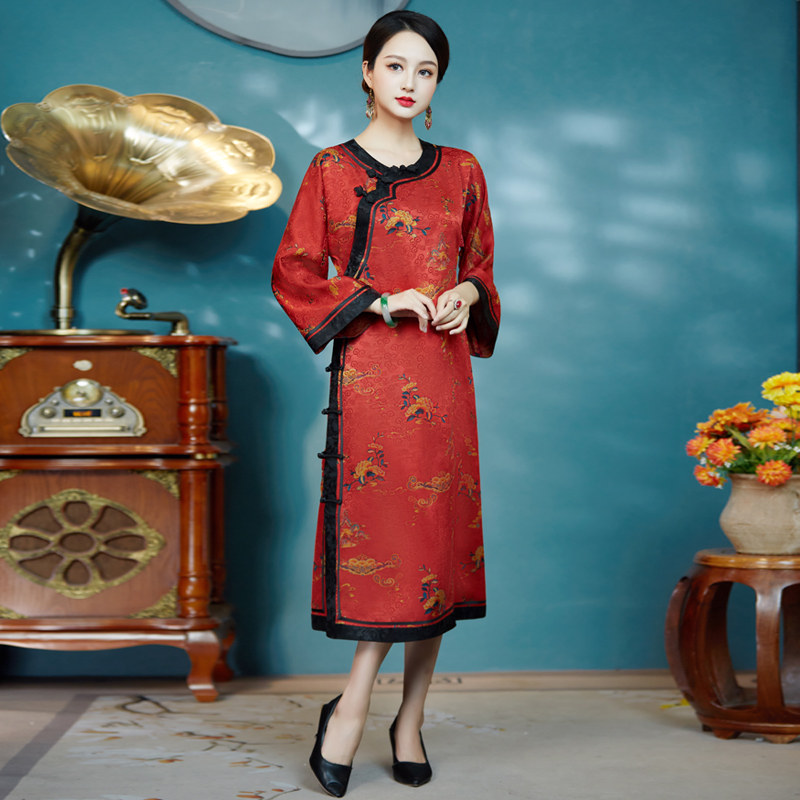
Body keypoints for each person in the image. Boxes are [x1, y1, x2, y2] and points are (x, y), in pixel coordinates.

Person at [271, 9, 500, 796]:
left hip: (443, 378)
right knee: (393, 545)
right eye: (396, 66)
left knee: (435, 548)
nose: (410, 82)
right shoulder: (332, 168)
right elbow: (296, 270)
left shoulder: (462, 170)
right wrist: (377, 298)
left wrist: (467, 294)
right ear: (367, 71)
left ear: (438, 84)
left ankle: (409, 718)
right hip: (372, 380)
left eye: (425, 71)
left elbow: (480, 266)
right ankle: (353, 708)